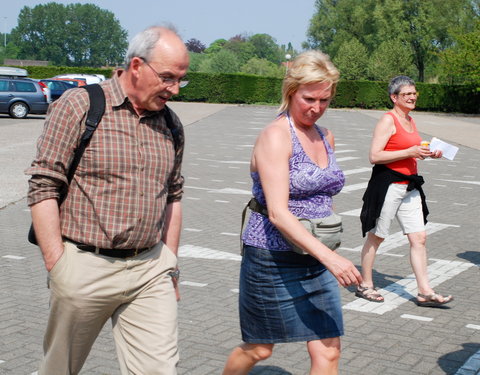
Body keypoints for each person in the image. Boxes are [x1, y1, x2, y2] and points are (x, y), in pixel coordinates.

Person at [25, 26, 189, 375]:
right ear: (136, 66)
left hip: (149, 269)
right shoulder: (81, 105)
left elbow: (174, 195)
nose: (174, 89)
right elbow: (43, 184)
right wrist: (59, 265)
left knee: (160, 370)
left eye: (180, 80)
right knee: (59, 369)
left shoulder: (172, 125)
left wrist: (169, 265)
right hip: (85, 266)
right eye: (167, 78)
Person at [222, 51, 362, 375]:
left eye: (324, 99)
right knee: (259, 348)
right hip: (272, 257)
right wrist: (333, 259)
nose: (316, 108)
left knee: (328, 350)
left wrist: (328, 240)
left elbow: (326, 194)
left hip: (314, 256)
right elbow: (278, 213)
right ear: (291, 91)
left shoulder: (326, 136)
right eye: (309, 98)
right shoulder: (276, 135)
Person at [357, 75, 453, 307]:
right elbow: (375, 156)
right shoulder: (388, 120)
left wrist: (429, 152)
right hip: (388, 185)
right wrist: (410, 151)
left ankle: (424, 291)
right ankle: (365, 284)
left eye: (414, 93)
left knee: (419, 237)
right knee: (377, 236)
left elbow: (411, 150)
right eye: (406, 94)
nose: (412, 97)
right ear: (394, 97)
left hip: (409, 186)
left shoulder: (410, 120)